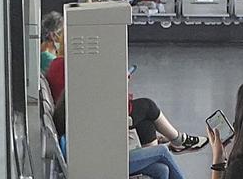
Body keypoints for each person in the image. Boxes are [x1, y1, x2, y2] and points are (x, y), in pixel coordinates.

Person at [45, 53, 205, 152]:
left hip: (76, 123)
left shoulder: (57, 65)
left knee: (147, 125)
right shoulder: (84, 74)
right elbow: (116, 105)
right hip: (95, 128)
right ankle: (177, 140)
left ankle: (164, 162)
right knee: (148, 106)